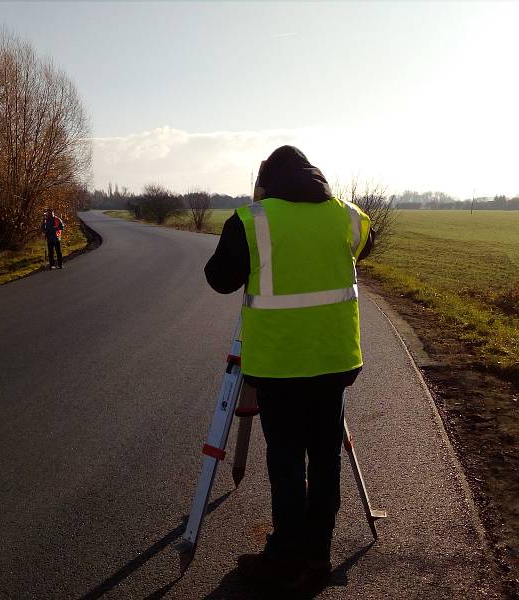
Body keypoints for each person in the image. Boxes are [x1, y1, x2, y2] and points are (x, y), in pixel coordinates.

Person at [204, 145, 374, 590]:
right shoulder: (348, 216)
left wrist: (257, 202)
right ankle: (317, 555)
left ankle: (284, 557)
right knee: (324, 460)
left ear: (266, 182)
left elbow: (219, 279)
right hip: (335, 362)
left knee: (285, 461)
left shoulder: (252, 220)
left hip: (279, 366)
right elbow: (361, 250)